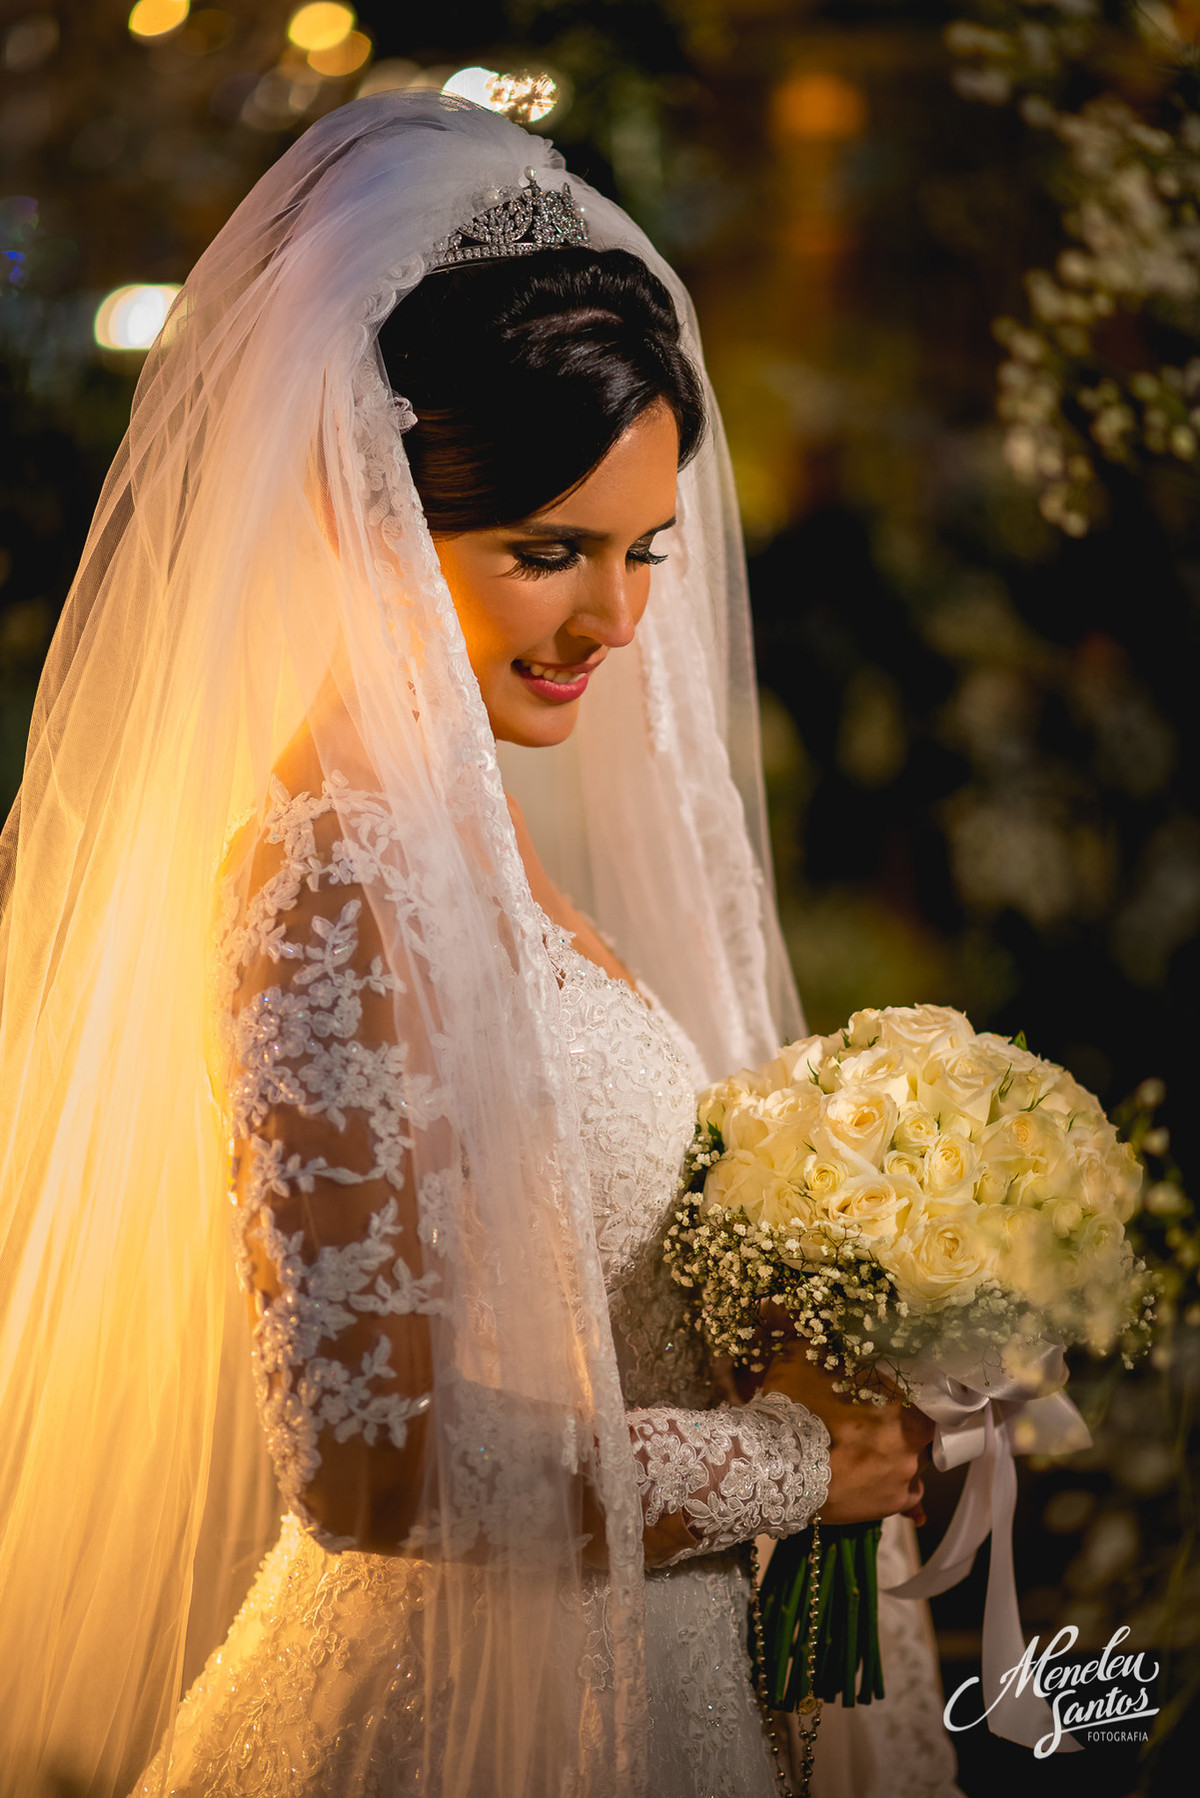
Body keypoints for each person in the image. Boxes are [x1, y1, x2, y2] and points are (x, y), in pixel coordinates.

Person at [0, 92, 961, 1798]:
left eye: (642, 549)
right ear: (364, 515)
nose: (615, 619)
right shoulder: (329, 873)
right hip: (470, 1723)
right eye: (547, 554)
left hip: (662, 1677)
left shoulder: (490, 842)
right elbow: (374, 1463)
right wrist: (785, 1466)